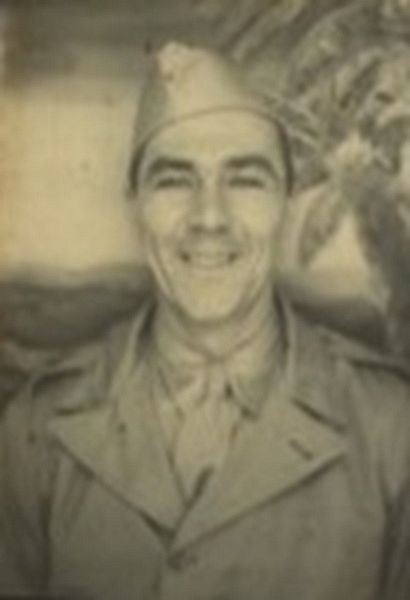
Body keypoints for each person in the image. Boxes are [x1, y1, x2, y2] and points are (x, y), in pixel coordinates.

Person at [1, 42, 409, 600]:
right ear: (134, 202)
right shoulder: (36, 432)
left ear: (285, 200)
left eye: (245, 179)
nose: (209, 218)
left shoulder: (391, 431)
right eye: (174, 180)